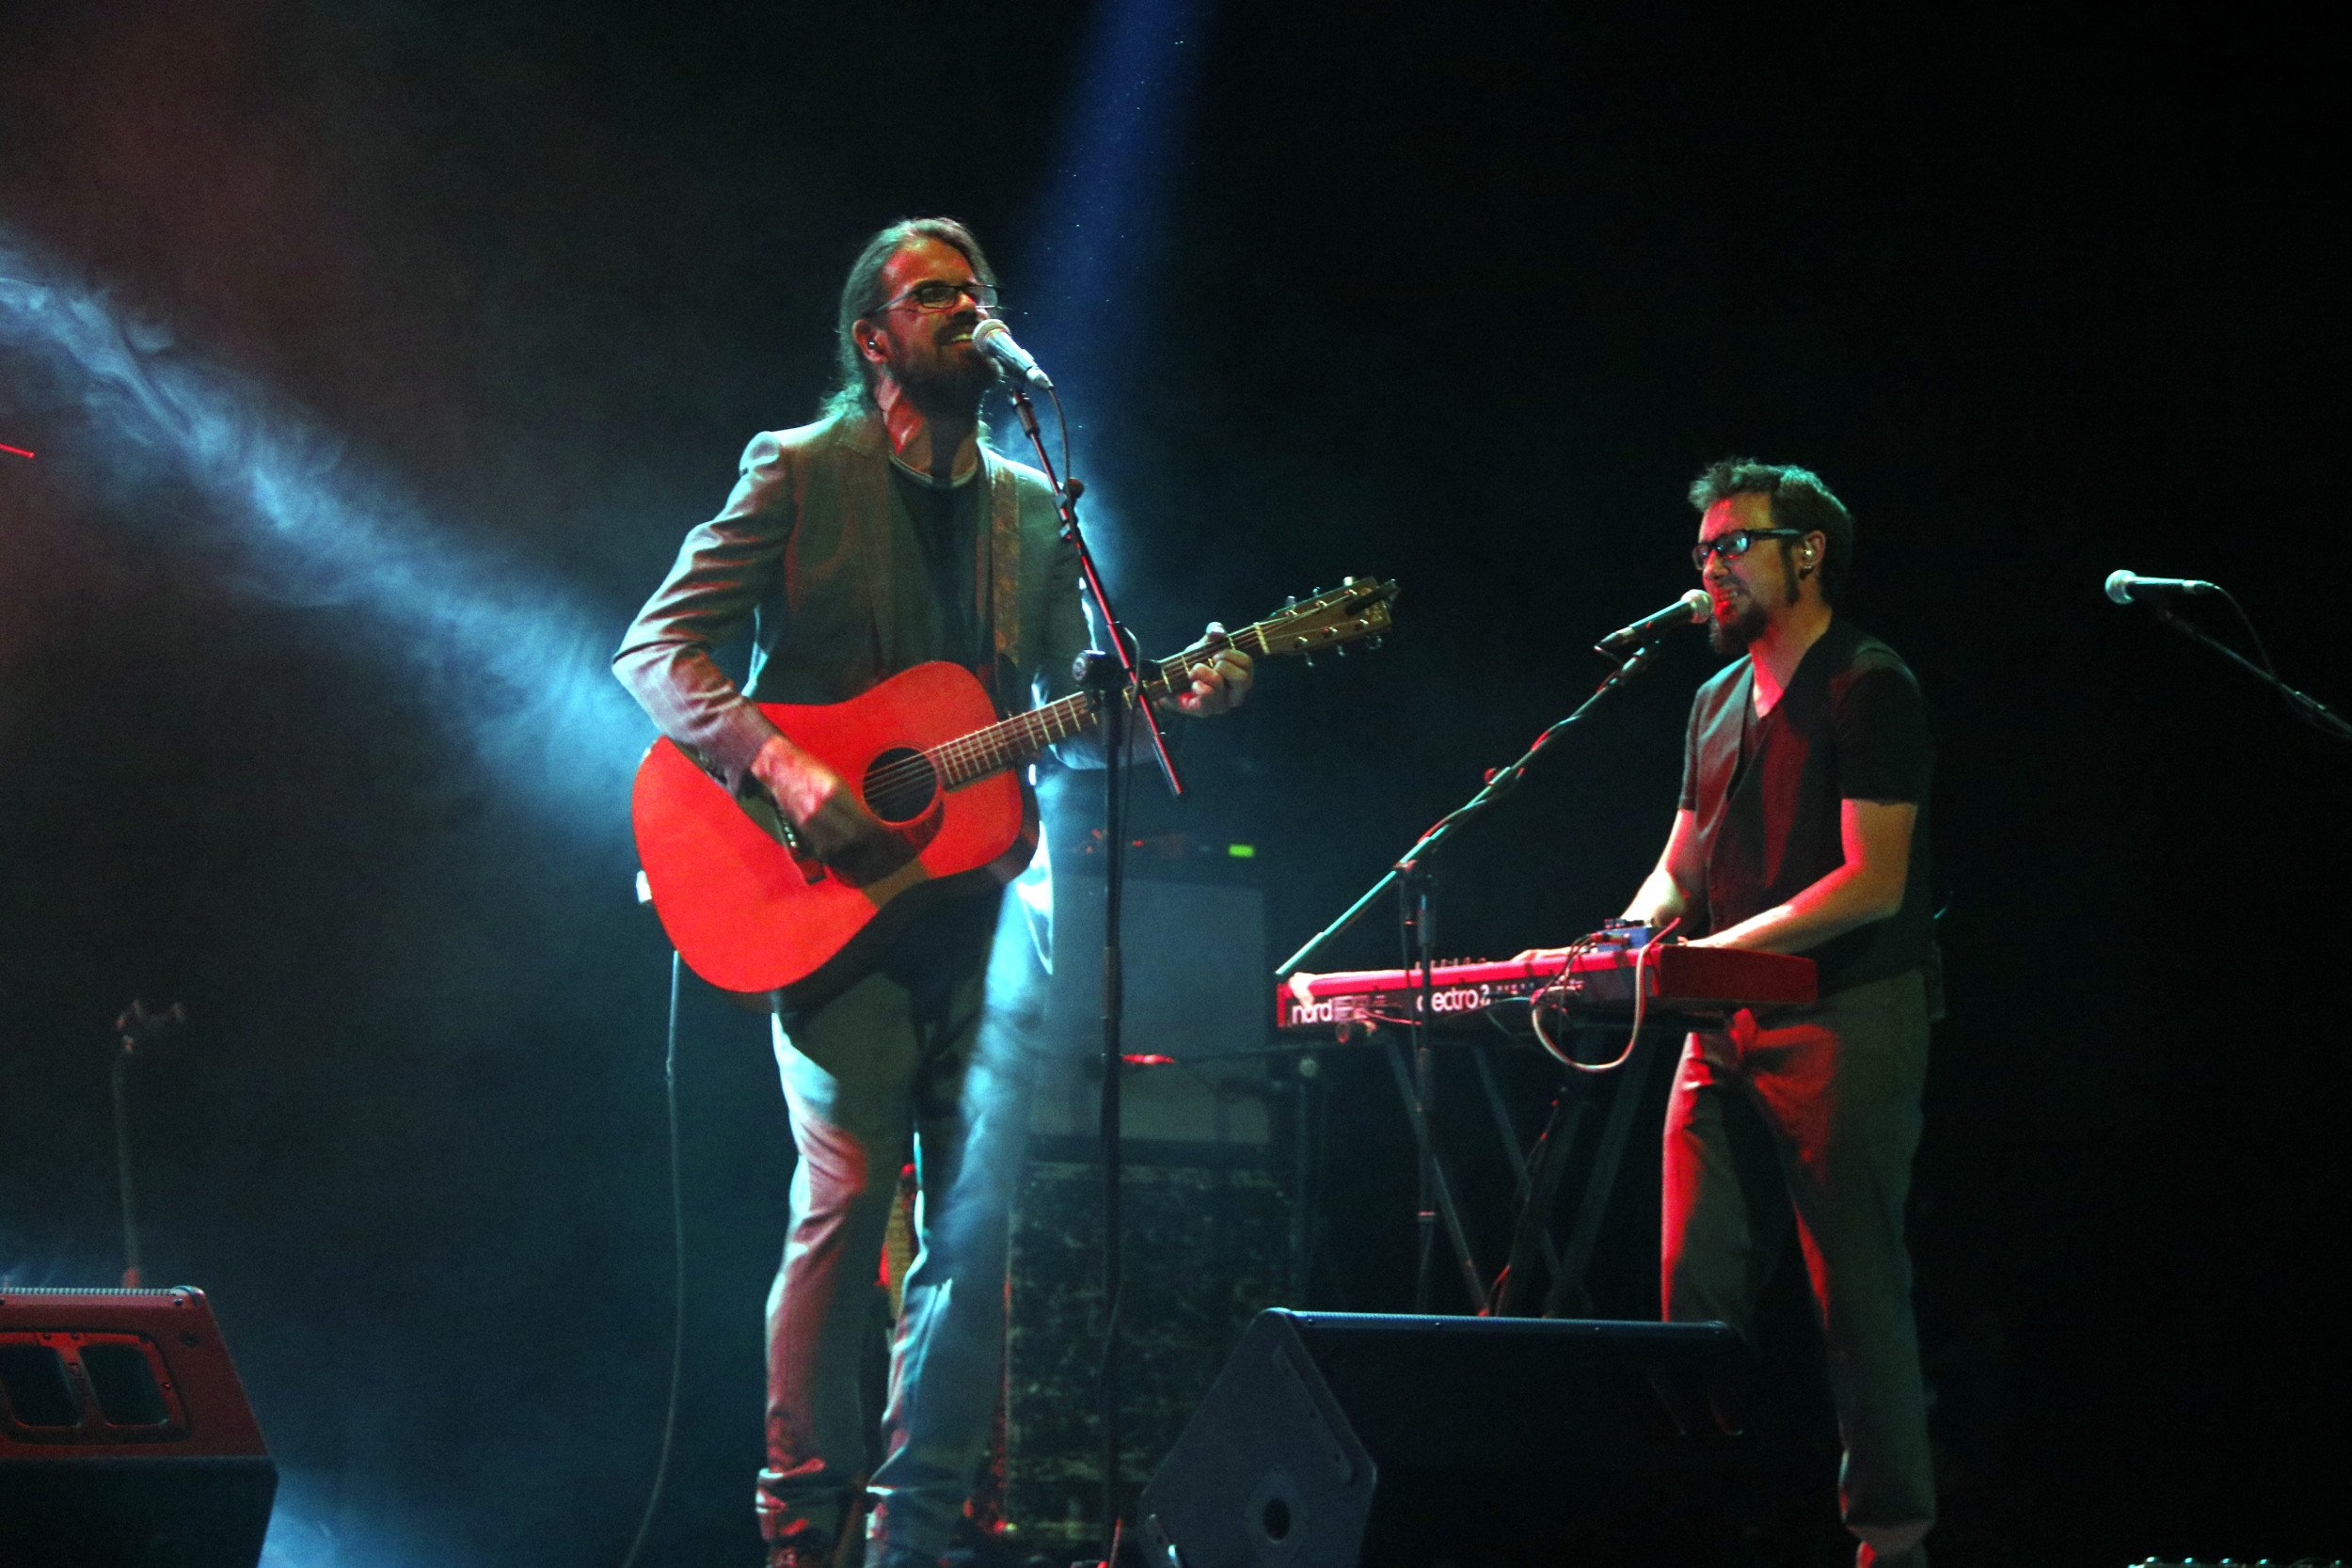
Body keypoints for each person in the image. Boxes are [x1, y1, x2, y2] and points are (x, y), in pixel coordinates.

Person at [612, 217, 1251, 1568]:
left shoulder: (1030, 505)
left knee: (977, 1226)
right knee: (843, 1205)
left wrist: (1161, 705)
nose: (967, 309)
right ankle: (801, 1531)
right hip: (824, 906)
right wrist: (782, 764)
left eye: (979, 291)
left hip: (983, 907)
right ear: (874, 336)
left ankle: (920, 1538)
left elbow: (1049, 716)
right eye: (933, 294)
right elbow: (654, 648)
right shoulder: (799, 469)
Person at [1585, 460, 1938, 1566]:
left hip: (1847, 1015)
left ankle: (1893, 1538)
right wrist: (1622, 941)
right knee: (1690, 1287)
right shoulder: (1713, 697)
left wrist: (1707, 955)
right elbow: (1678, 864)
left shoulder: (1868, 682)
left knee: (1855, 1291)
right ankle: (1696, 1524)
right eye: (1700, 549)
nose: (1710, 564)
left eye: (1733, 541)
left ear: (1807, 550)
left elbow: (1871, 879)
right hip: (1720, 1021)